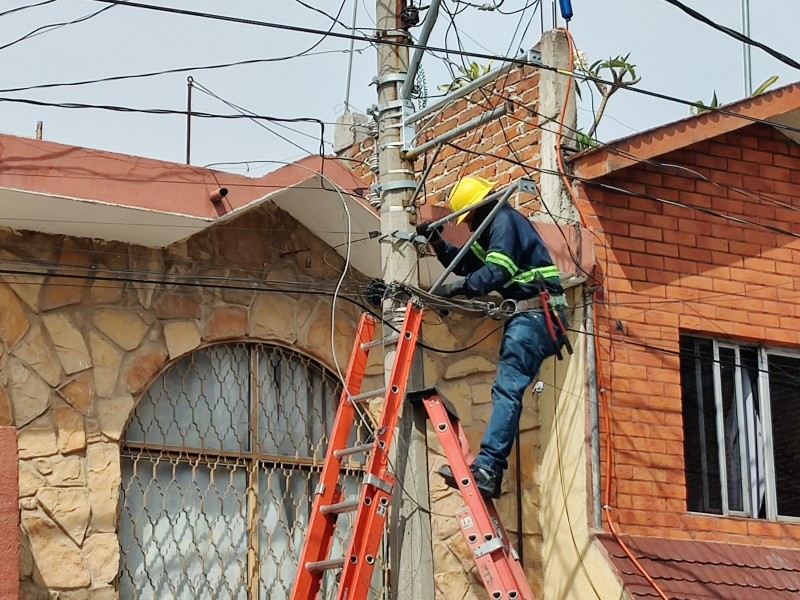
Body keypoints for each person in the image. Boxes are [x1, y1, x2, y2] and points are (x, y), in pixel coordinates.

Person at [417, 176, 570, 499]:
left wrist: (455, 290)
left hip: (536, 316)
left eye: (469, 219)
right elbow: (467, 265)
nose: (470, 227)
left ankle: (487, 468)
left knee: (508, 388)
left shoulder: (503, 221)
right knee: (507, 389)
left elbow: (494, 274)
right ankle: (491, 472)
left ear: (480, 208)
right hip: (531, 318)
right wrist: (439, 244)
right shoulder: (494, 227)